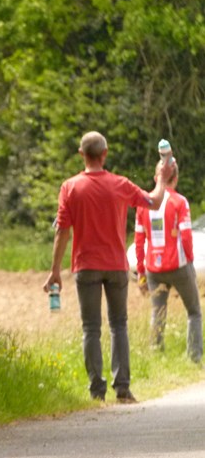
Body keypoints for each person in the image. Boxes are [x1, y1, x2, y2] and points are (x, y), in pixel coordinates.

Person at [43, 131, 174, 403]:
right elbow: (154, 201)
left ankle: (96, 392)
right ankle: (123, 389)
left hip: (85, 266)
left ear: (82, 154)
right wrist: (162, 178)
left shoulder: (70, 187)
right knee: (119, 325)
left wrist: (55, 270)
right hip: (116, 266)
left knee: (91, 328)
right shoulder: (120, 184)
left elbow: (62, 231)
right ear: (105, 154)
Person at [134, 160, 202, 363]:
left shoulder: (143, 203)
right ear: (176, 179)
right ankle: (194, 358)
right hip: (179, 265)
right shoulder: (180, 202)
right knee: (194, 312)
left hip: (153, 269)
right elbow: (186, 236)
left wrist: (141, 271)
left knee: (158, 312)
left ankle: (155, 356)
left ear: (157, 178)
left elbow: (139, 241)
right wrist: (189, 260)